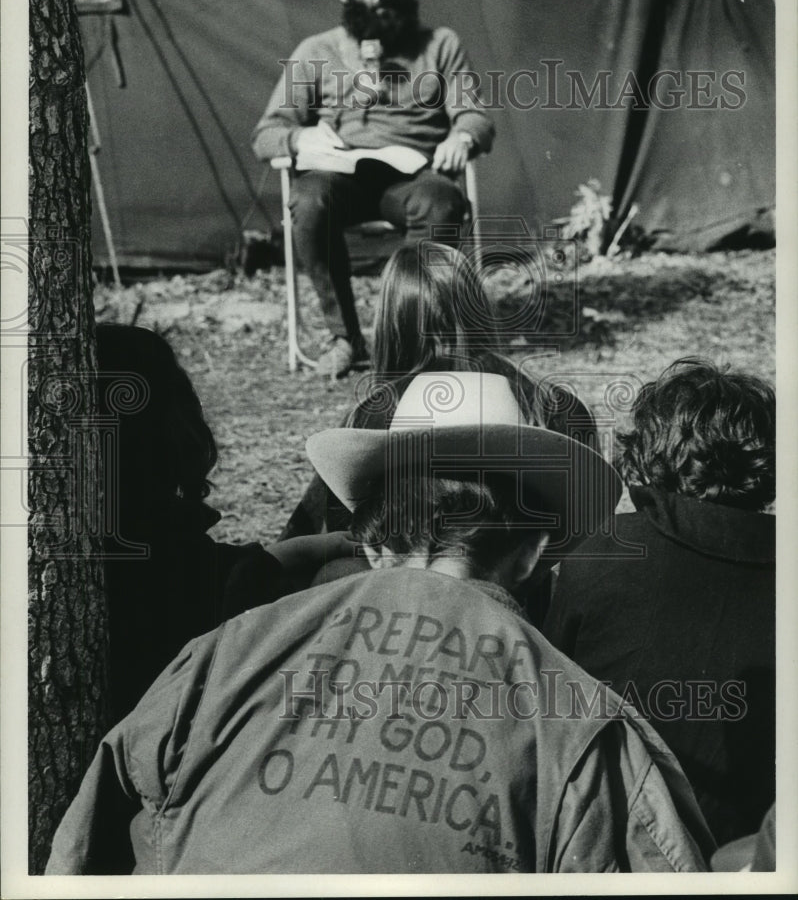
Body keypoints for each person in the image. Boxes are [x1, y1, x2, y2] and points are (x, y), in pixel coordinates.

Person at [46, 371, 714, 874]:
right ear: (535, 552)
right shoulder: (584, 725)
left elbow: (82, 845)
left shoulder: (224, 655)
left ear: (371, 542)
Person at [542, 357, 775, 847]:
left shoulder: (603, 550)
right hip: (749, 844)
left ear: (649, 453)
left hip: (609, 834)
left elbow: (551, 703)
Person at [251, 0, 495, 377]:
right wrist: (301, 140)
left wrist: (461, 138)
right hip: (341, 177)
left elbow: (475, 115)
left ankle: (409, 336)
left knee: (441, 202)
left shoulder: (439, 44)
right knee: (307, 200)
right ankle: (345, 337)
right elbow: (267, 134)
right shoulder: (316, 52)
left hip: (413, 177)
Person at [96, 325, 355, 722]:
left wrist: (310, 546)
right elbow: (223, 581)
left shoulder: (115, 527)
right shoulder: (165, 554)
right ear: (168, 420)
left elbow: (219, 568)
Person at [279, 241, 597, 554]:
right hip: (526, 570)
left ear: (390, 324)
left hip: (403, 577)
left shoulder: (371, 416)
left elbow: (341, 533)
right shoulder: (559, 405)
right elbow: (588, 525)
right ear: (479, 307)